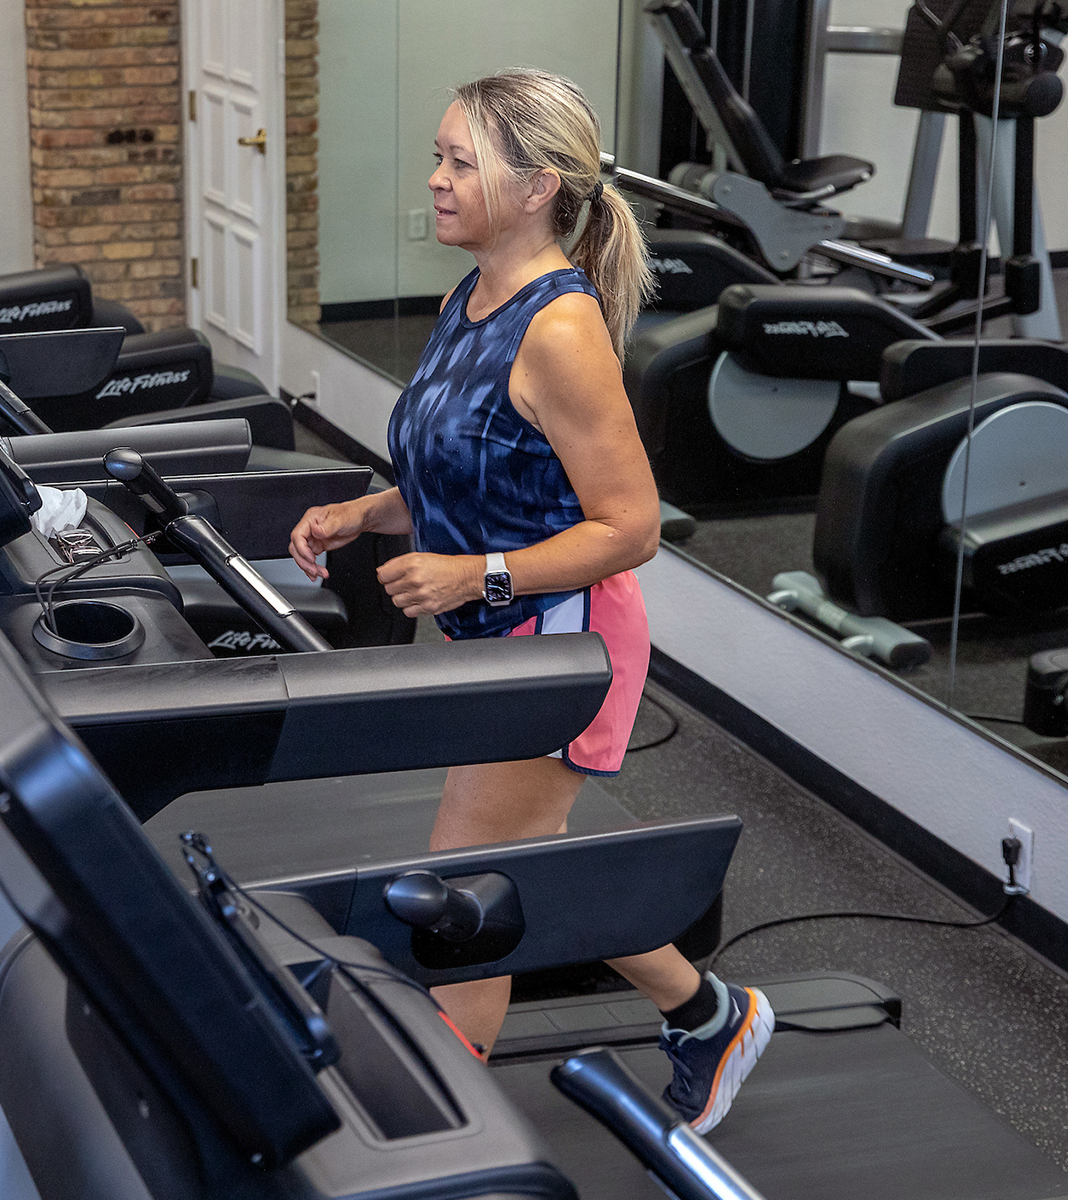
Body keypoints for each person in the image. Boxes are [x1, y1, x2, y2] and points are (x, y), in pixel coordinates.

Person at [288, 68, 770, 1133]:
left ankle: (433, 1135)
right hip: (497, 636)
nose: (436, 178)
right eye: (440, 156)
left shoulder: (561, 329)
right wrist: (365, 513)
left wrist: (478, 575)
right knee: (522, 864)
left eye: (461, 162)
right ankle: (709, 1014)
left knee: (465, 890)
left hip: (564, 644)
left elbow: (630, 528)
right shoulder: (468, 299)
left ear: (537, 185)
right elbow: (471, 474)